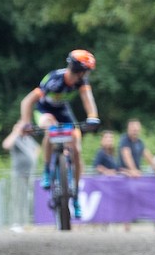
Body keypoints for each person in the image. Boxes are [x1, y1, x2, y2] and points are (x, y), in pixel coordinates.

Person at [14, 49, 100, 218]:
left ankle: (74, 193)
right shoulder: (54, 79)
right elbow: (27, 101)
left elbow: (88, 100)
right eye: (86, 71)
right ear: (80, 70)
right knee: (51, 129)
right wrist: (26, 122)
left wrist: (92, 117)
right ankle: (47, 170)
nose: (86, 74)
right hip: (45, 111)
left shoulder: (81, 83)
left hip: (62, 110)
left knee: (76, 145)